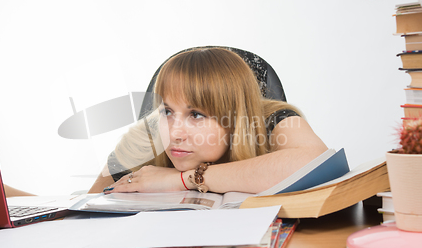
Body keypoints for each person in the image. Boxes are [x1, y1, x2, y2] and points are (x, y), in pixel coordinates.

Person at [88, 47, 327, 194]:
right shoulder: (147, 137)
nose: (174, 134)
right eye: (167, 111)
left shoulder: (271, 119)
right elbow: (85, 212)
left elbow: (315, 161)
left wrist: (184, 179)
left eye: (196, 115)